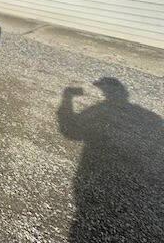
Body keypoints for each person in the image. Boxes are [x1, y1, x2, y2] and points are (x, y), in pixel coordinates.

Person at [58, 77, 163, 241]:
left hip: (98, 181)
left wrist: (67, 98)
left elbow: (71, 130)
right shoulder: (151, 118)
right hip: (146, 196)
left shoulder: (104, 110)